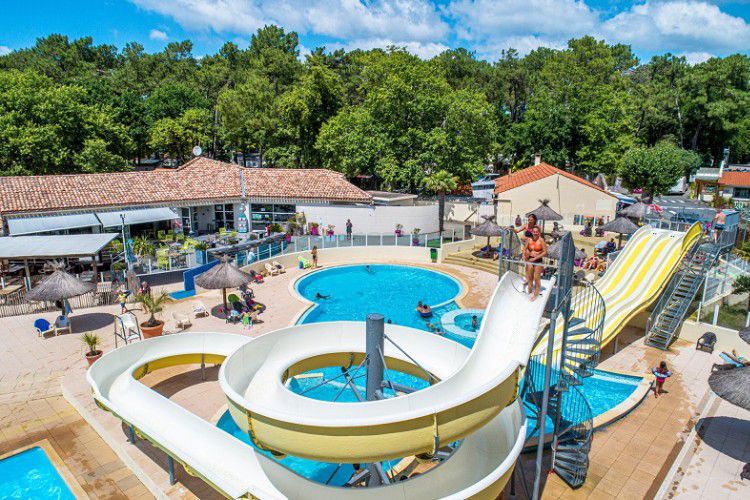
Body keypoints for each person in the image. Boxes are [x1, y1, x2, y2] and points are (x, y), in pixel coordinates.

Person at [523, 225, 547, 301]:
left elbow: (545, 252)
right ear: (532, 232)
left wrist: (536, 258)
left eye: (537, 232)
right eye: (534, 232)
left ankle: (536, 295)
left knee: (536, 278)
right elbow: (524, 249)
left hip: (538, 260)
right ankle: (529, 292)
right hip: (530, 260)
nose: (535, 233)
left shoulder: (541, 240)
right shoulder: (529, 240)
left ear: (539, 233)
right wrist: (525, 255)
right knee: (530, 277)